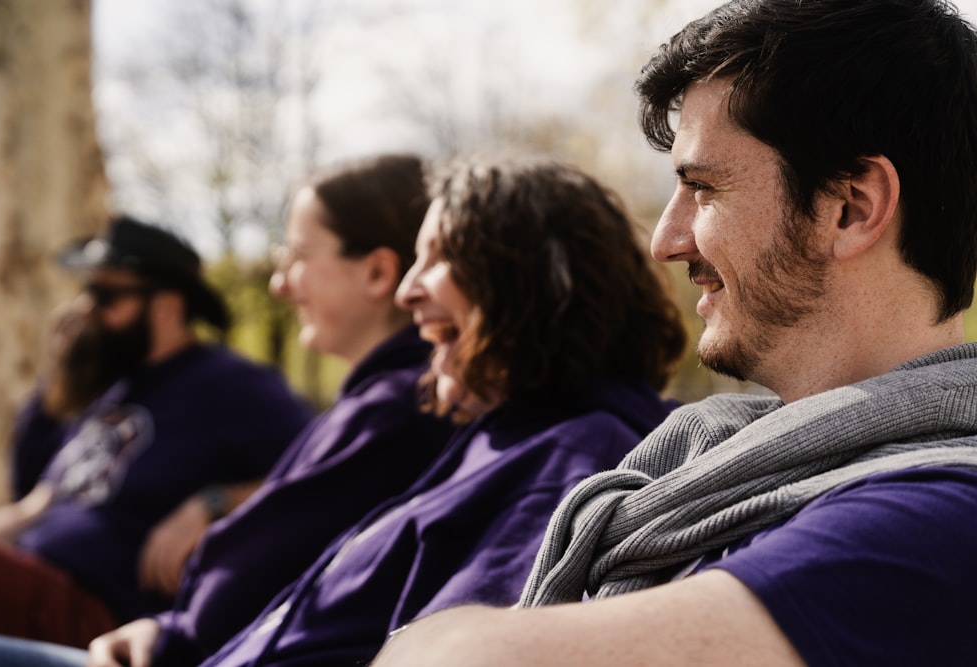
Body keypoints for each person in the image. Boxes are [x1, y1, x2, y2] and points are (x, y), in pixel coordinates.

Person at [365, 1, 977, 666]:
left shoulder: (938, 516)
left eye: (703, 188)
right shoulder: (702, 460)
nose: (663, 240)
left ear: (850, 207)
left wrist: (435, 638)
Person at [82, 153, 457, 667]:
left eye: (299, 256)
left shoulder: (392, 411)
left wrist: (172, 631)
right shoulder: (376, 404)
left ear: (376, 272)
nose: (279, 283)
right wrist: (164, 625)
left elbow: (262, 584)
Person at [0, 216, 312, 647]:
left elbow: (317, 478)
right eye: (86, 292)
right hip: (25, 578)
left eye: (104, 295)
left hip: (100, 616)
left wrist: (211, 503)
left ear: (168, 306)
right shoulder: (113, 389)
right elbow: (34, 507)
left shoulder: (232, 384)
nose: (85, 308)